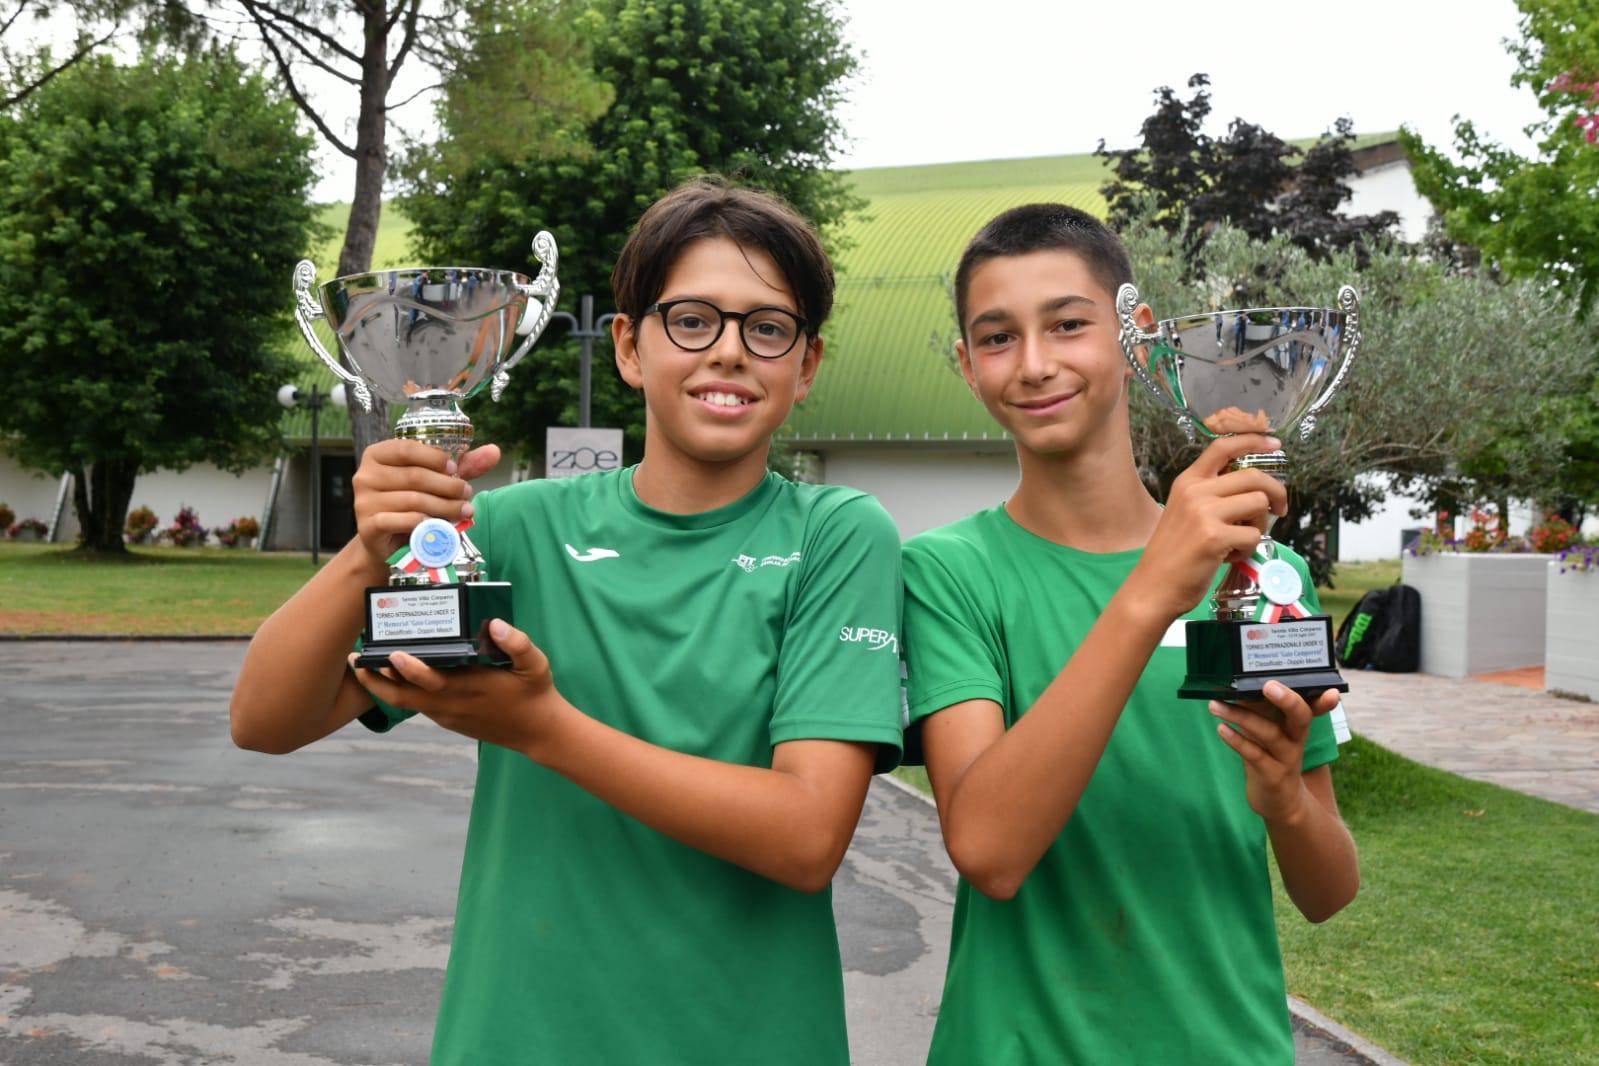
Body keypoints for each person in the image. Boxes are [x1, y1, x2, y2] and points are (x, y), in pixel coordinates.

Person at [230, 178, 905, 1065]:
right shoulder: (512, 527)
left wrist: (543, 729)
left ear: (806, 365)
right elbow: (266, 720)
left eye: (767, 328)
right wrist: (372, 548)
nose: (728, 351)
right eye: (691, 320)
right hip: (518, 1037)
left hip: (749, 1039)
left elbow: (806, 836)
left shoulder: (835, 535)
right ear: (628, 346)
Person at [901, 203, 1359, 1064]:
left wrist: (1285, 801)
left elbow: (1328, 891)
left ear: (1134, 340)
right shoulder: (947, 572)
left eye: (1067, 325)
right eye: (997, 338)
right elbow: (989, 852)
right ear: (966, 365)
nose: (1034, 363)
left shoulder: (1268, 576)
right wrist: (1153, 590)